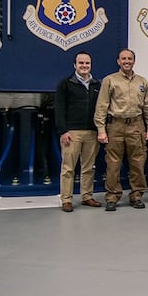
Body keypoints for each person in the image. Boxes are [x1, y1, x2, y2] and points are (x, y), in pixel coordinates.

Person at [94, 49, 148, 211]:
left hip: (137, 125)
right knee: (113, 164)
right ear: (118, 61)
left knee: (138, 163)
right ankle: (112, 197)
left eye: (130, 58)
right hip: (115, 125)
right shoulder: (110, 80)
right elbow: (102, 106)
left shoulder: (142, 82)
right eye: (123, 59)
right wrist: (101, 129)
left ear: (134, 61)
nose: (127, 61)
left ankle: (136, 195)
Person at [55, 51, 102, 212]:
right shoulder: (66, 84)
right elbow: (59, 108)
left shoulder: (97, 84)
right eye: (81, 63)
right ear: (75, 65)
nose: (84, 66)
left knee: (89, 167)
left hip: (92, 132)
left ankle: (87, 196)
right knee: (68, 168)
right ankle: (66, 199)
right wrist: (63, 131)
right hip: (72, 132)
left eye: (87, 63)